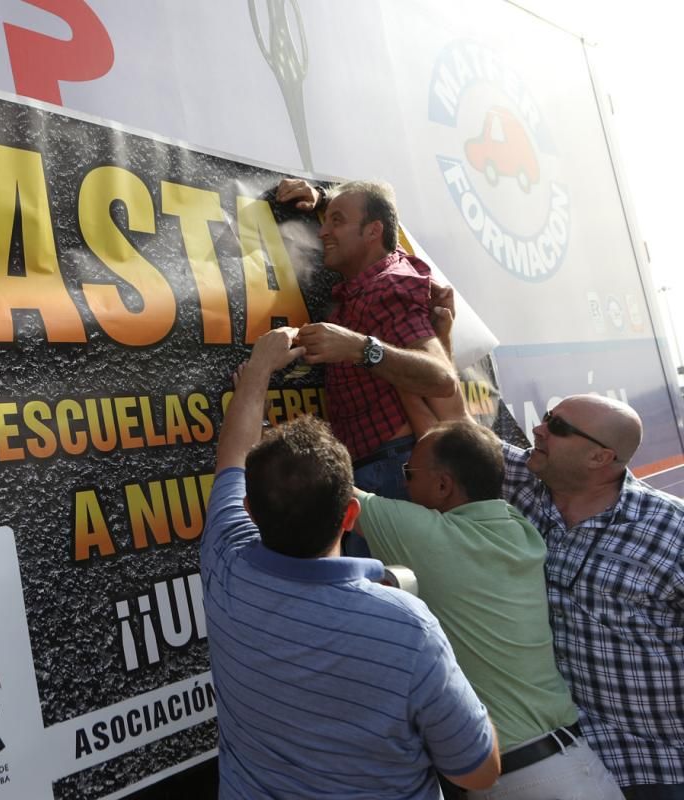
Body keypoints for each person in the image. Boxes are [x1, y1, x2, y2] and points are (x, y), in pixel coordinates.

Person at [201, 326, 499, 798]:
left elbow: (232, 458)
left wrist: (258, 370)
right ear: (351, 515)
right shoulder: (408, 628)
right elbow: (477, 771)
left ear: (251, 513)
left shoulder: (226, 570)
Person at [422, 290, 684, 798]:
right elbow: (455, 430)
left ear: (600, 459)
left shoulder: (670, 531)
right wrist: (441, 338)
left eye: (557, 428)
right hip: (557, 751)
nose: (537, 429)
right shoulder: (524, 482)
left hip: (653, 763)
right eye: (546, 417)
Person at [354, 420, 623, 799]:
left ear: (444, 485)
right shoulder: (516, 528)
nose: (404, 484)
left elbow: (324, 484)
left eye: (408, 473)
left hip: (520, 782)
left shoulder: (426, 536)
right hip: (576, 765)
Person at [275, 178, 457, 506]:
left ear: (373, 232)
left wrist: (360, 348)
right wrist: (323, 199)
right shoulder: (384, 263)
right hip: (383, 466)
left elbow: (441, 377)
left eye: (337, 221)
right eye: (327, 220)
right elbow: (382, 209)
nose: (322, 232)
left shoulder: (388, 287)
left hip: (391, 472)